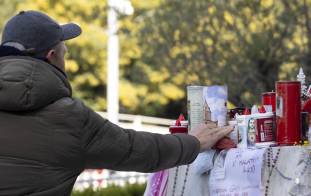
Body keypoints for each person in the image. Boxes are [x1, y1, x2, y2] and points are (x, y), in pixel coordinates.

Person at [0, 11, 232, 196]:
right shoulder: (70, 119)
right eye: (65, 54)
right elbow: (137, 149)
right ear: (52, 55)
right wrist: (194, 142)